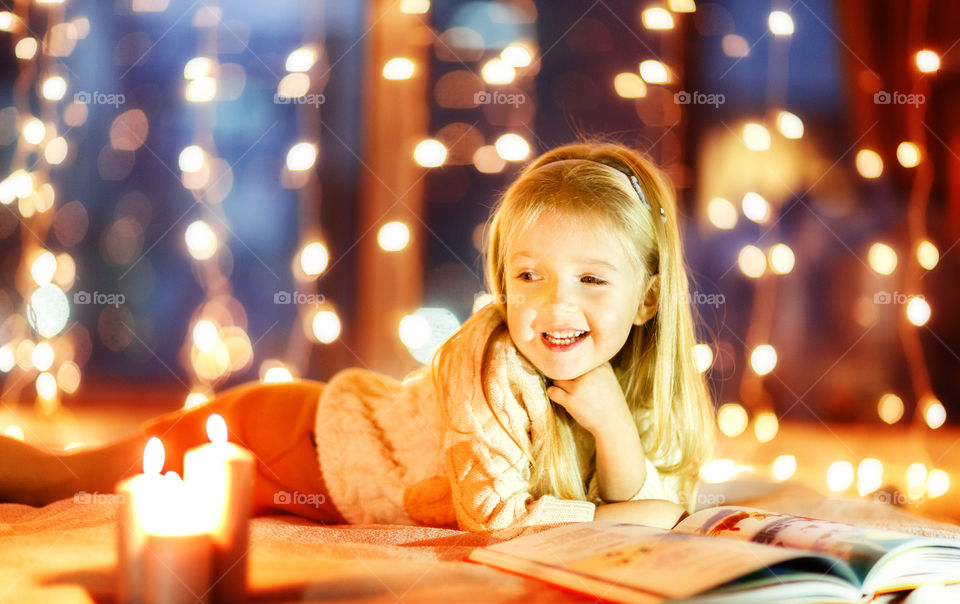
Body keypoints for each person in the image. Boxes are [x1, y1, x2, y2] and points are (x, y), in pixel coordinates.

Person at [0, 140, 716, 539]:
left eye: (593, 280)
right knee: (70, 480)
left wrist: (613, 425)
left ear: (649, 299)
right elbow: (495, 515)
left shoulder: (615, 377)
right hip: (291, 441)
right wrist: (625, 513)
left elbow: (645, 500)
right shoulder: (490, 361)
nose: (557, 304)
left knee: (88, 474)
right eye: (529, 275)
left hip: (312, 450)